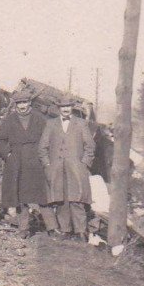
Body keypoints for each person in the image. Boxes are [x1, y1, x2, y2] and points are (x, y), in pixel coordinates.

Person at [0, 88, 58, 237]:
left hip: (36, 162)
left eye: (24, 102)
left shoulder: (39, 118)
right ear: (16, 104)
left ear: (30, 103)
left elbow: (49, 140)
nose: (22, 106)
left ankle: (52, 228)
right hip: (17, 162)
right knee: (21, 198)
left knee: (43, 196)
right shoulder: (10, 120)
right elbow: (1, 140)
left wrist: (45, 158)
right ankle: (23, 229)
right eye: (19, 103)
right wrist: (8, 155)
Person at [37, 96, 96, 241]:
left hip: (76, 168)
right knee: (61, 199)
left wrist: (84, 164)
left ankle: (81, 231)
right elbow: (42, 147)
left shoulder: (81, 124)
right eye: (63, 107)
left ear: (72, 107)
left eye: (68, 106)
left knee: (77, 199)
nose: (65, 109)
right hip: (56, 168)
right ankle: (65, 230)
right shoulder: (51, 124)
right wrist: (47, 165)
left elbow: (90, 146)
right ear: (58, 108)